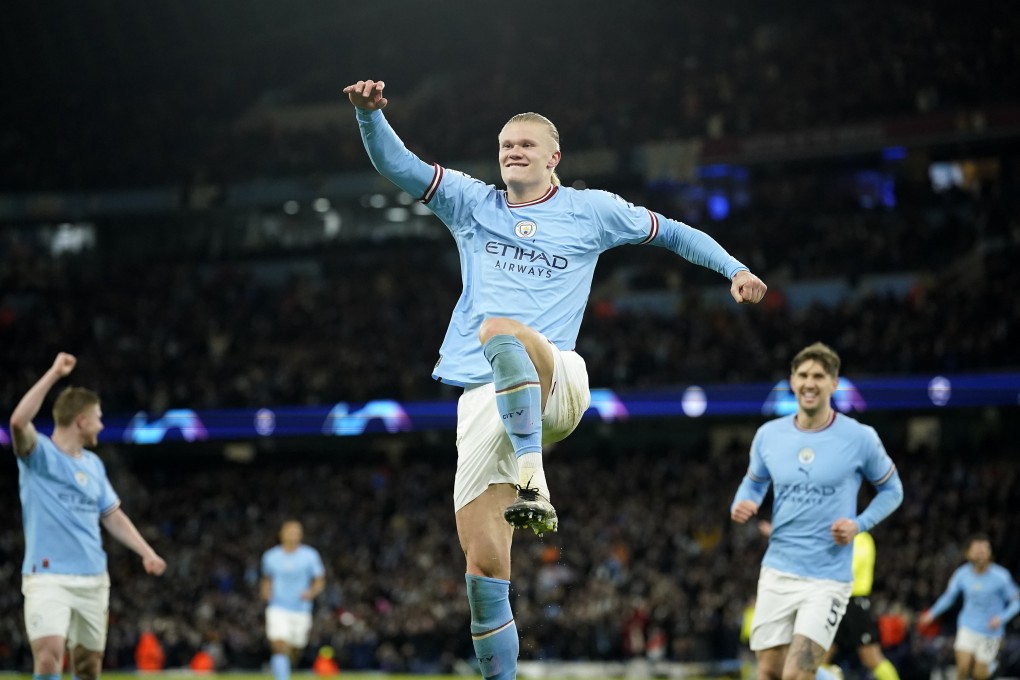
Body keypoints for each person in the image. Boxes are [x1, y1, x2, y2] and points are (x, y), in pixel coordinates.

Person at [344, 78, 767, 680]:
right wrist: (368, 117)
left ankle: (533, 476)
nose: (513, 153)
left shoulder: (592, 211)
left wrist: (735, 268)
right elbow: (400, 166)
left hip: (557, 379)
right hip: (483, 402)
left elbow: (672, 231)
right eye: (505, 145)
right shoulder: (471, 202)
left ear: (554, 158)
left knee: (500, 329)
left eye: (525, 144)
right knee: (484, 569)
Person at [730, 342, 904, 680]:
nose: (810, 382)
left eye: (819, 376)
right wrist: (742, 501)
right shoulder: (769, 435)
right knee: (769, 670)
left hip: (827, 578)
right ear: (792, 382)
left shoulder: (860, 437)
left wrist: (859, 523)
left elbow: (893, 490)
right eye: (803, 375)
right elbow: (752, 483)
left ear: (834, 383)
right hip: (778, 571)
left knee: (798, 673)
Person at [9, 352, 167, 680]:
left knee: (87, 667)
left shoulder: (93, 465)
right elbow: (18, 422)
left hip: (93, 578)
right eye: (98, 417)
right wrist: (54, 373)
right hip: (47, 577)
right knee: (50, 656)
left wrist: (146, 551)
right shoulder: (39, 454)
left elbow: (112, 516)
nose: (102, 424)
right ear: (81, 420)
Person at [918, 535, 1020, 680]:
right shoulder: (961, 574)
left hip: (991, 633)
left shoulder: (1001, 576)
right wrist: (932, 613)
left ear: (990, 553)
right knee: (962, 668)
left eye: (985, 549)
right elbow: (949, 597)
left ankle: (991, 666)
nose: (981, 553)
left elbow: (1017, 602)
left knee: (979, 675)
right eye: (977, 549)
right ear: (968, 554)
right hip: (967, 627)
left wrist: (1002, 618)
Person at [260, 520, 326, 680]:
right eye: (289, 531)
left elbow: (319, 580)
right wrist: (265, 591)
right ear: (281, 534)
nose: (292, 534)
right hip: (278, 606)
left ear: (301, 535)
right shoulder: (270, 556)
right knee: (278, 644)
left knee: (296, 647)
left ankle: (285, 665)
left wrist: (311, 592)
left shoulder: (310, 555)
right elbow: (267, 578)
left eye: (296, 531)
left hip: (301, 608)